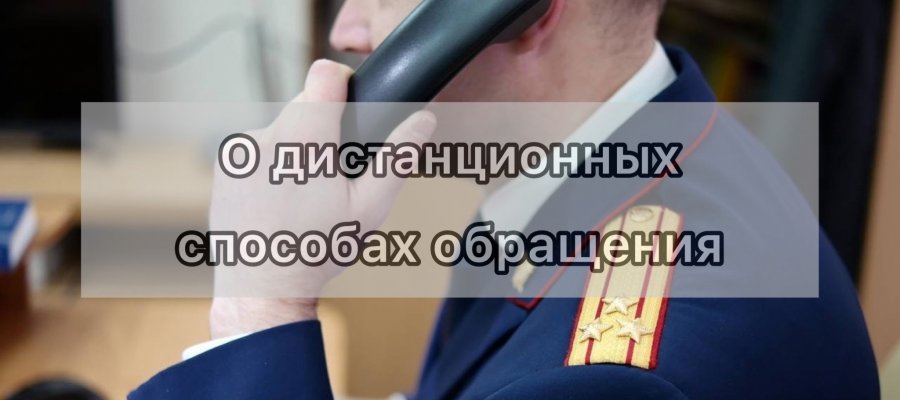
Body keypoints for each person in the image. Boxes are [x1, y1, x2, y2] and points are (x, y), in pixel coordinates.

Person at [130, 0, 880, 398]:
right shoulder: (653, 152)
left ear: (518, 10)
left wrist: (259, 303)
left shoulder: (613, 378)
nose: (345, 30)